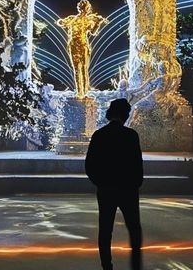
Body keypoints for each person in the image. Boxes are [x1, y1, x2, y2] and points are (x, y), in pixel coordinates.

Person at [85, 98, 143, 270]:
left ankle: (107, 266)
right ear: (126, 115)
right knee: (134, 228)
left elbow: (90, 165)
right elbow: (137, 164)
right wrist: (135, 184)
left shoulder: (99, 135)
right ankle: (135, 265)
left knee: (105, 229)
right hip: (128, 189)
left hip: (106, 189)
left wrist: (100, 183)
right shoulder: (131, 135)